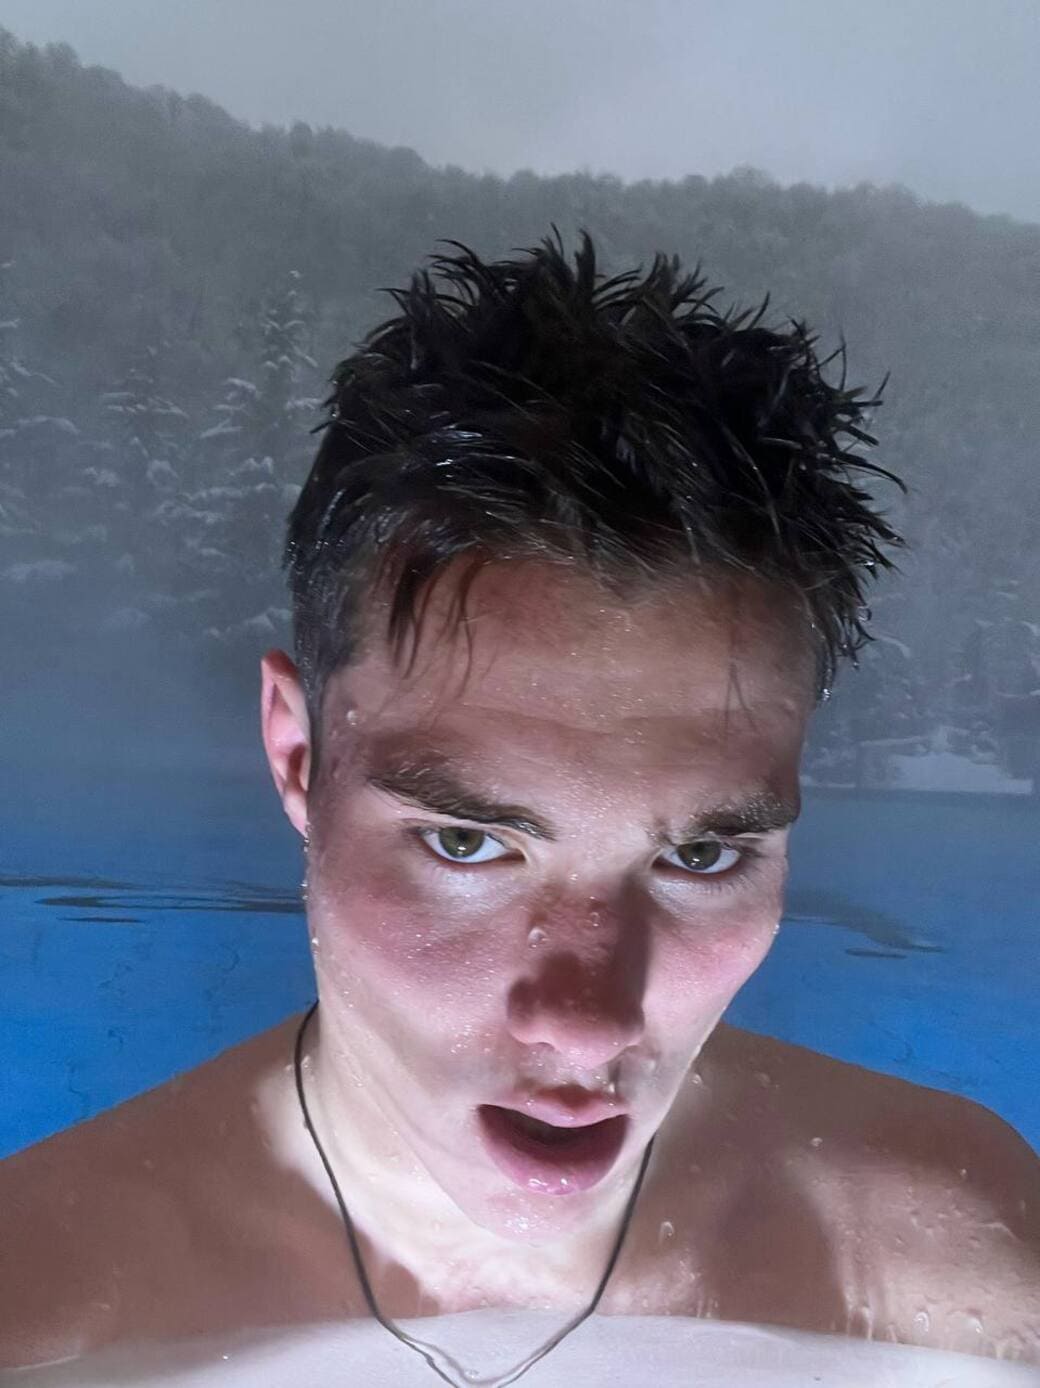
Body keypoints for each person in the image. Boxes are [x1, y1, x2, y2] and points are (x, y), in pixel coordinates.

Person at [1, 230, 1038, 1377]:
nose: (588, 1020)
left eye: (699, 857)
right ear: (297, 757)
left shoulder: (955, 1258)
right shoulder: (40, 1305)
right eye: (465, 840)